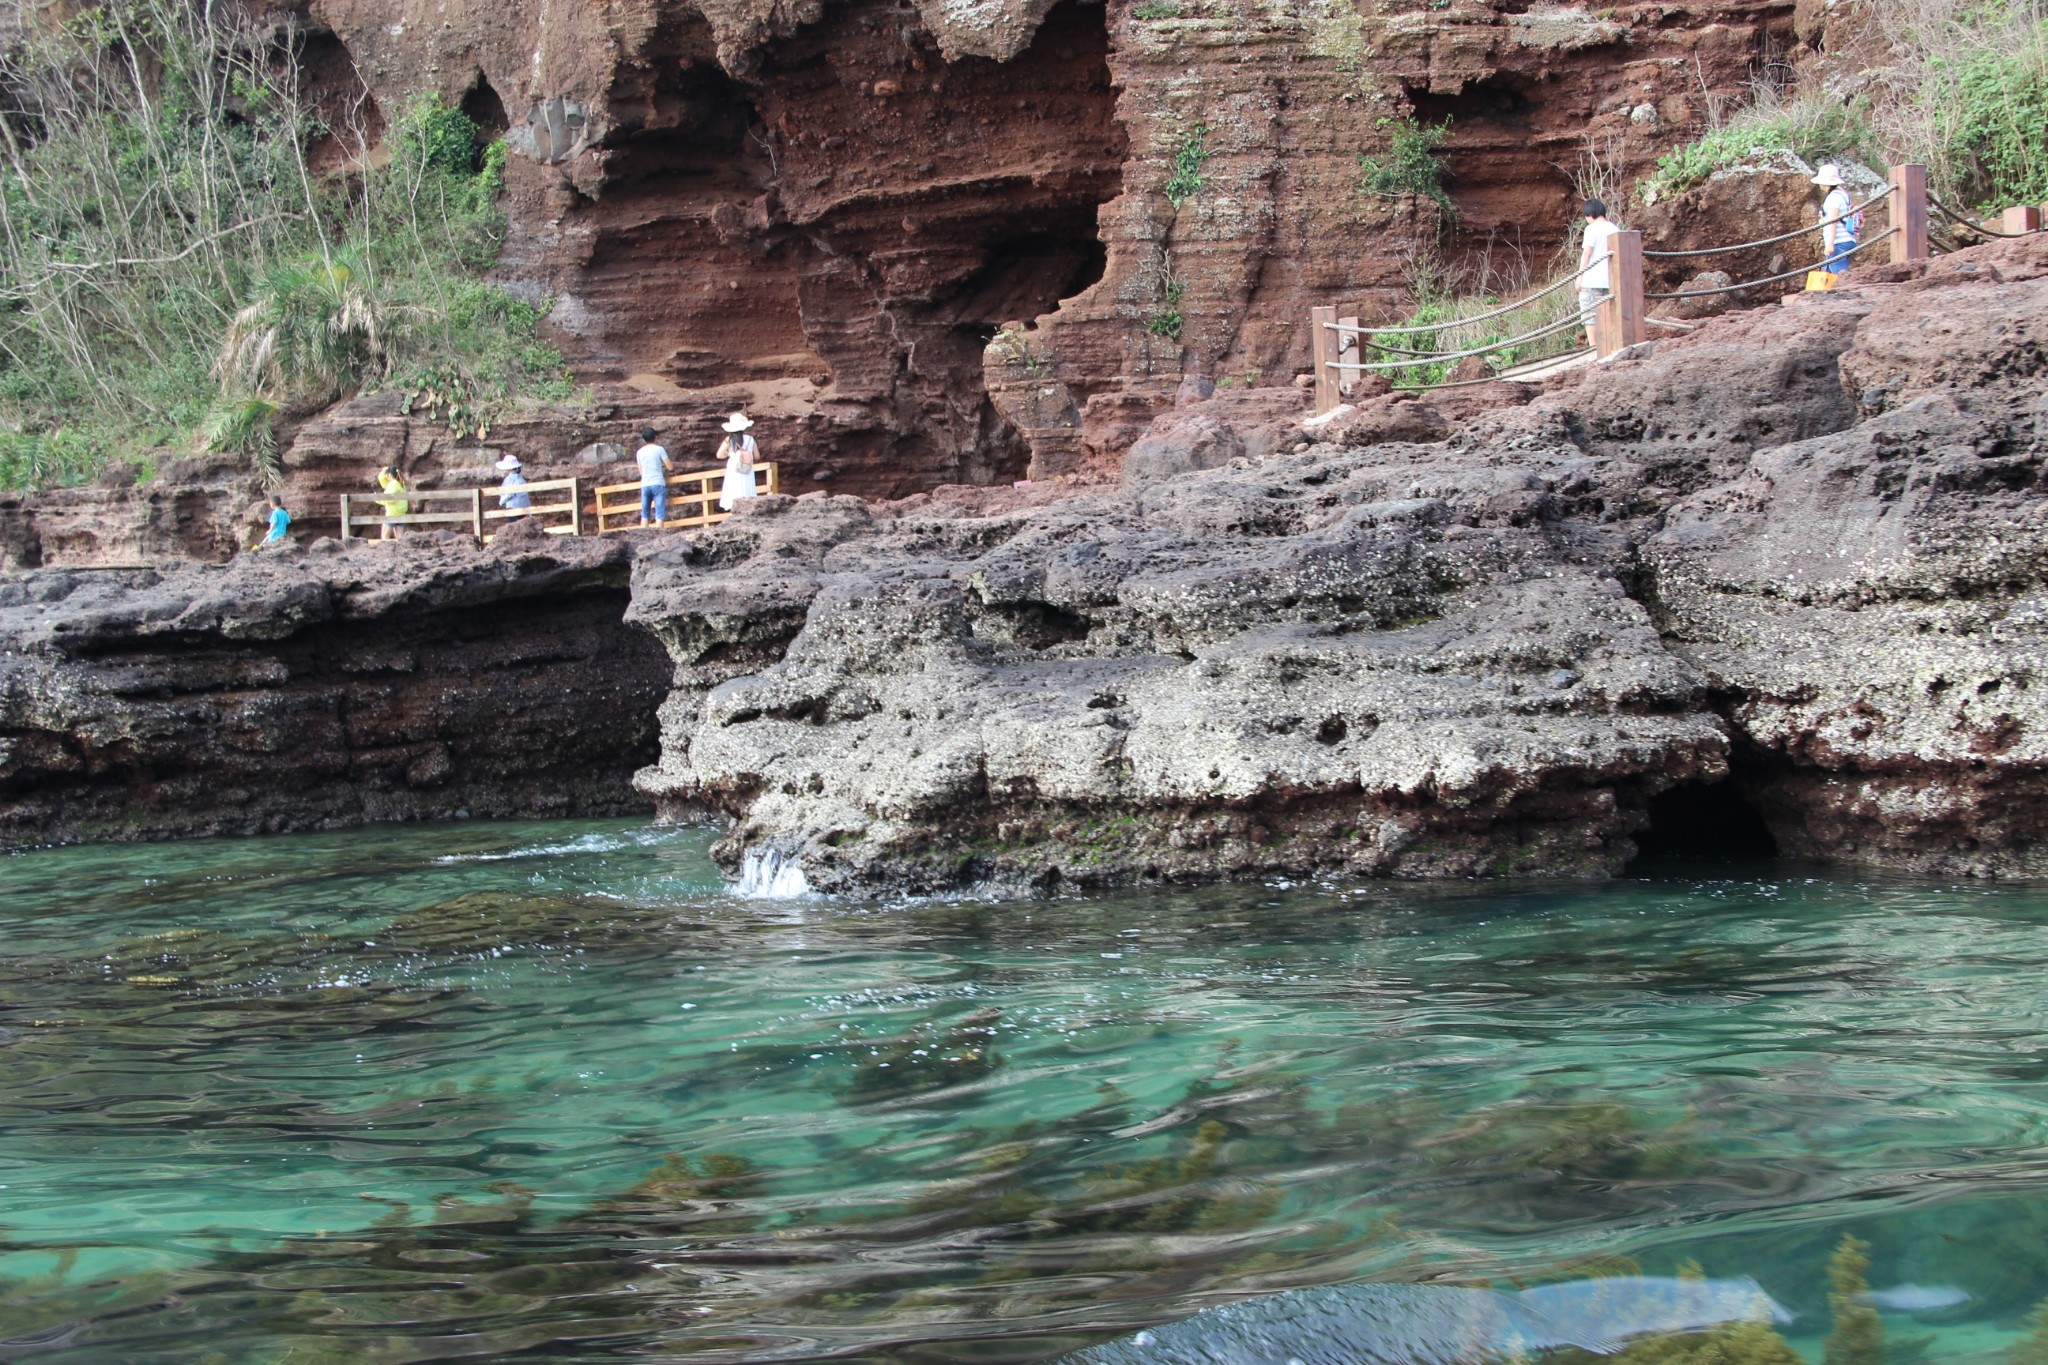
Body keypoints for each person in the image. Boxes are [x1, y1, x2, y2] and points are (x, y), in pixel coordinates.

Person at [1576, 198, 1622, 344]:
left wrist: (1579, 277)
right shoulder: (1615, 229)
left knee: (1590, 315)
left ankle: (1594, 347)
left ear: (1589, 214)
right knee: (1610, 315)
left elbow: (1587, 254)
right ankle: (1611, 345)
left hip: (1592, 280)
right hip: (1611, 280)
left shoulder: (1591, 229)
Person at [1813, 165, 1861, 281]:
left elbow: (1833, 222)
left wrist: (1830, 245)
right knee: (1829, 274)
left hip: (1838, 243)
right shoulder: (1843, 194)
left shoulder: (1832, 198)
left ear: (1825, 183)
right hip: (1849, 240)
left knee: (1841, 278)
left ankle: (1849, 297)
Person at [717, 411, 758, 512]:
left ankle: (734, 511)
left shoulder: (729, 440)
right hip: (747, 469)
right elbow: (757, 456)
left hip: (734, 470)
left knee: (734, 491)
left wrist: (730, 454)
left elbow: (719, 455)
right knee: (747, 490)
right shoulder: (750, 439)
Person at [635, 426, 672, 526]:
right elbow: (670, 467)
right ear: (656, 437)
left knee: (645, 515)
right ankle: (659, 538)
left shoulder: (639, 452)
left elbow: (641, 472)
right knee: (659, 515)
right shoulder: (659, 449)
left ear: (644, 439)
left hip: (645, 484)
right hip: (658, 483)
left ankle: (644, 538)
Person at [374, 465, 409, 540]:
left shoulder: (393, 485)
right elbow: (383, 482)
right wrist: (384, 472)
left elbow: (389, 499)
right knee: (400, 539)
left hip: (392, 514)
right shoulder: (401, 483)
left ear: (389, 475)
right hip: (401, 514)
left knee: (385, 537)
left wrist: (376, 498)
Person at [495, 453, 532, 521]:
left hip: (513, 507)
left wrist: (501, 502)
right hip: (523, 507)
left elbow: (509, 494)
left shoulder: (510, 479)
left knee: (513, 525)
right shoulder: (521, 478)